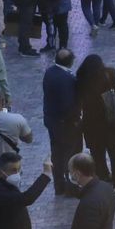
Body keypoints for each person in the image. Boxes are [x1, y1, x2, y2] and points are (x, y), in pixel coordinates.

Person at [74, 55, 115, 197]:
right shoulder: (108, 76)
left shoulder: (80, 81)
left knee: (97, 155)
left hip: (91, 124)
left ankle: (102, 181)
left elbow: (77, 101)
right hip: (110, 123)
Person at [42, 50, 79, 197]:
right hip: (64, 123)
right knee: (69, 154)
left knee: (57, 154)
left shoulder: (49, 72)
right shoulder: (67, 78)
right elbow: (67, 104)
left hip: (51, 120)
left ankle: (59, 186)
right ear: (70, 62)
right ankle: (70, 186)